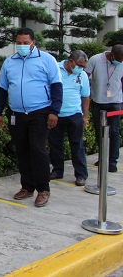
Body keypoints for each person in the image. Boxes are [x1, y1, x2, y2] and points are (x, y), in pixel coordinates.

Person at [0, 27, 62, 208]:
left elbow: (56, 87)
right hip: (16, 113)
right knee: (22, 150)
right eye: (19, 43)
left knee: (38, 149)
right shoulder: (9, 62)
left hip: (39, 112)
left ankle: (43, 189)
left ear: (33, 43)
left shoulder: (47, 60)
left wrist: (54, 111)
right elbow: (2, 89)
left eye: (26, 43)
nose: (22, 46)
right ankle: (27, 186)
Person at [48, 50, 90, 186]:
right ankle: (57, 170)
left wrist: (85, 116)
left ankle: (81, 174)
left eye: (83, 66)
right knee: (55, 144)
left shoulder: (82, 75)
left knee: (77, 145)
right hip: (56, 114)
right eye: (79, 65)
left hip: (75, 114)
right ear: (71, 61)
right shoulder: (55, 69)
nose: (81, 68)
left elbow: (85, 96)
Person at [85, 44, 123, 173]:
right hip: (98, 102)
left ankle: (112, 161)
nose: (120, 62)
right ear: (111, 55)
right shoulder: (95, 60)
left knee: (114, 131)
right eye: (118, 59)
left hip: (116, 102)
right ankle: (102, 158)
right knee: (99, 132)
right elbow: (85, 76)